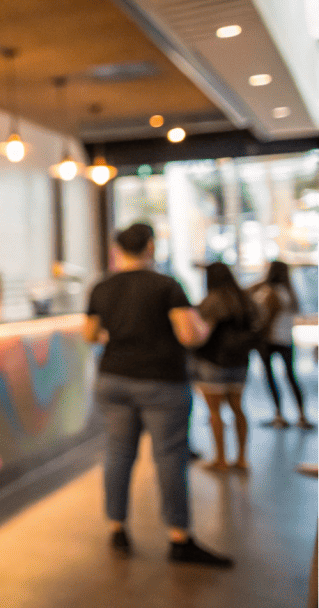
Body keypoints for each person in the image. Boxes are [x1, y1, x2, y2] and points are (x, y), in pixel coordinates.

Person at [84, 222, 233, 566]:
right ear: (150, 247)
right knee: (169, 457)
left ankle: (117, 528)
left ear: (118, 249)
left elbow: (90, 334)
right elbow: (187, 335)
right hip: (161, 382)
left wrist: (122, 338)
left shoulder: (101, 287)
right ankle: (179, 538)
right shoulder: (167, 285)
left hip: (113, 379)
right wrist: (205, 327)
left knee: (119, 454)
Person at [192, 262, 258, 472]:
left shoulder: (212, 301)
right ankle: (241, 458)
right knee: (238, 408)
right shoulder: (245, 299)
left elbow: (203, 333)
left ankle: (220, 459)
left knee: (215, 412)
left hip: (213, 361)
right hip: (240, 359)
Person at [249, 260, 313, 429]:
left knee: (271, 377)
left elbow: (263, 318)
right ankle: (301, 415)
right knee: (290, 376)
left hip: (269, 340)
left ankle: (279, 415)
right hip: (286, 340)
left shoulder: (267, 292)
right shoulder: (290, 292)